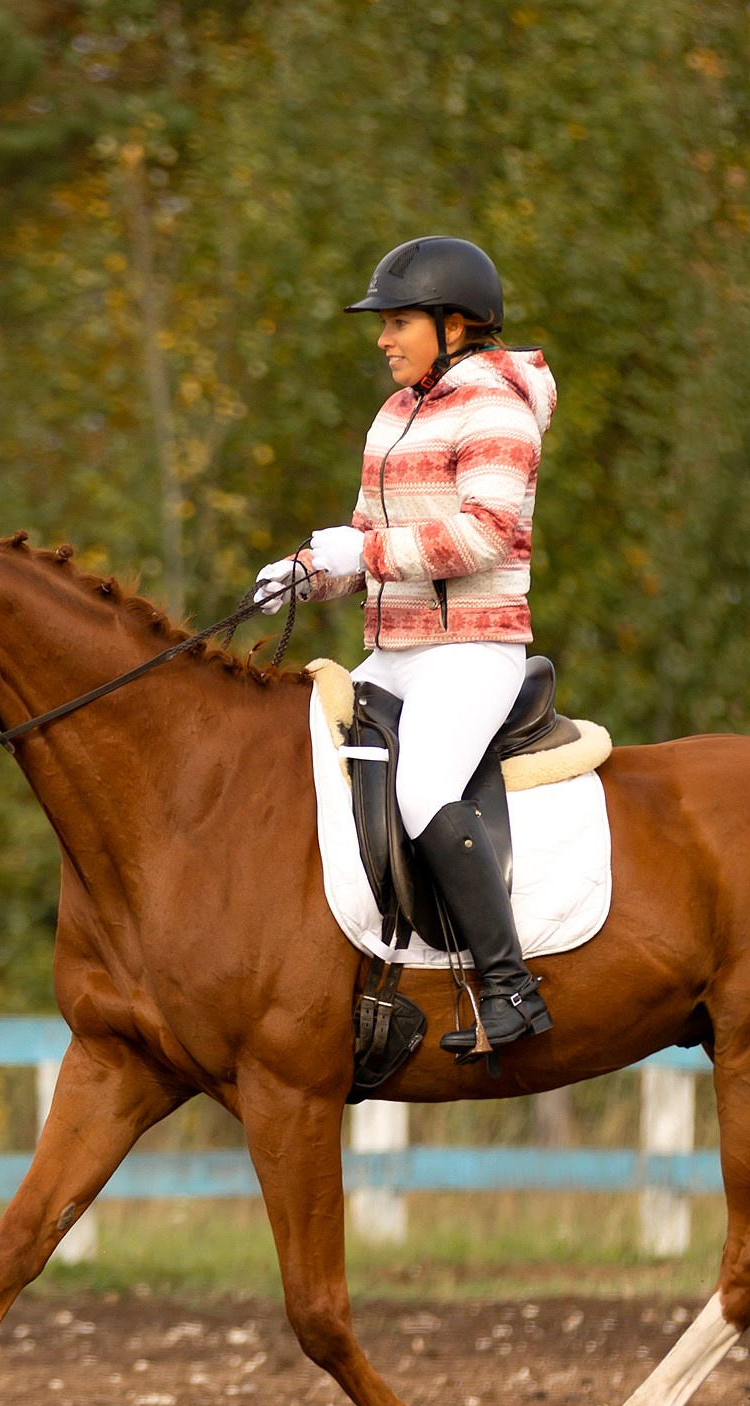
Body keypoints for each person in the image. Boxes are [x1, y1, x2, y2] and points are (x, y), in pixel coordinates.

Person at [254, 235, 559, 1058]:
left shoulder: (495, 404)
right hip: (395, 648)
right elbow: (364, 541)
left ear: (455, 324)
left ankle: (509, 986)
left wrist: (367, 555)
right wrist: (309, 572)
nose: (382, 338)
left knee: (423, 787)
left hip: (472, 648)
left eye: (397, 322)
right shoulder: (395, 414)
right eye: (382, 323)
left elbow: (488, 535)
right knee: (298, 760)